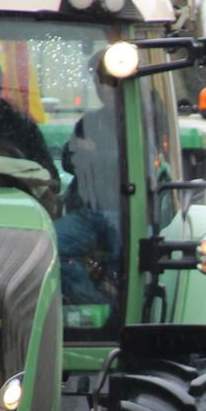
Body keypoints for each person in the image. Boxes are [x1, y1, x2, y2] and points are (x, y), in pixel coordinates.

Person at [55, 78, 124, 305]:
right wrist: (88, 154)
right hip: (88, 211)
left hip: (127, 210)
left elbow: (132, 163)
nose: (104, 88)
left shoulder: (142, 121)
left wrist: (92, 155)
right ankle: (95, 304)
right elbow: (68, 160)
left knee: (128, 255)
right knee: (51, 246)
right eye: (99, 82)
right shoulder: (90, 122)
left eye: (109, 82)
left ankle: (119, 304)